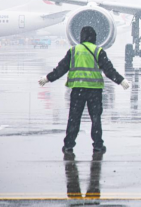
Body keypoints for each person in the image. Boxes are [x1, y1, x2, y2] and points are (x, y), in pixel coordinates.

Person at [38, 26, 130, 154]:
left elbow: (61, 69)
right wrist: (121, 81)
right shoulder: (98, 51)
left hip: (78, 90)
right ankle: (98, 145)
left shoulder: (73, 51)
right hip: (94, 91)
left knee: (74, 118)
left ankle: (68, 145)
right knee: (96, 119)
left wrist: (47, 78)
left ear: (81, 37)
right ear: (94, 38)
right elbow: (109, 71)